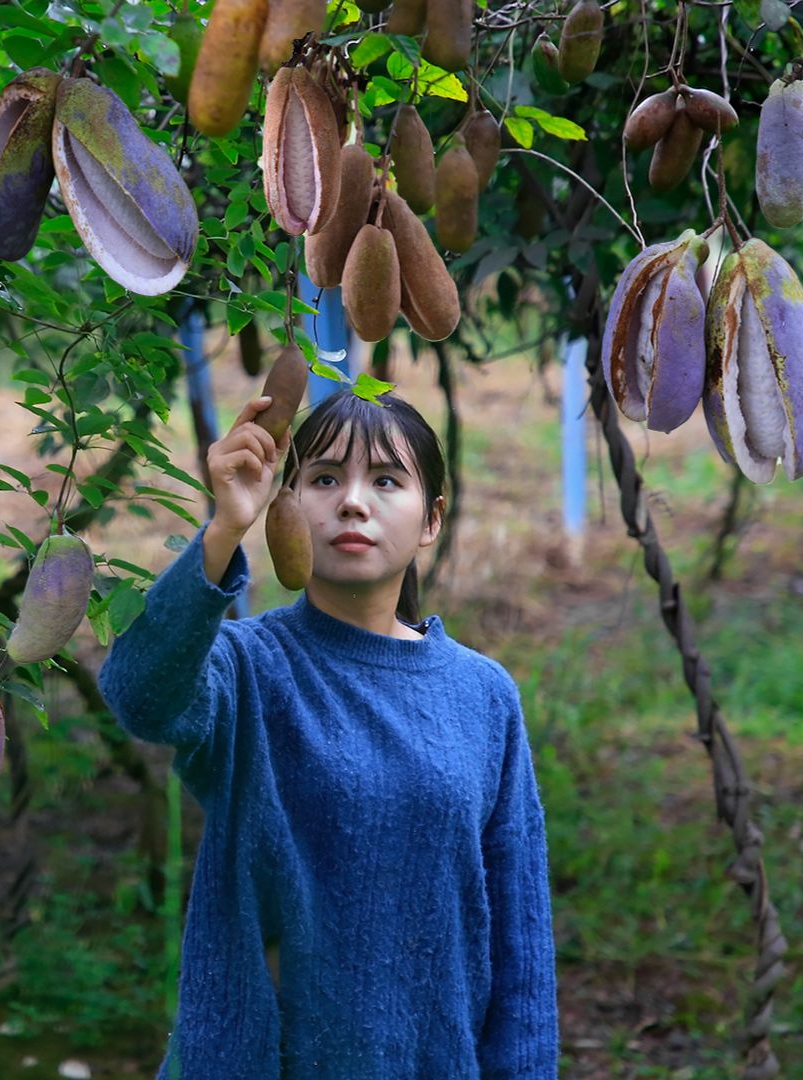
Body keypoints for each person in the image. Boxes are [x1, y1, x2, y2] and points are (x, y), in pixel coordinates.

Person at [96, 385, 559, 1078]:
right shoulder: (246, 668)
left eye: (385, 480)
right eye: (323, 478)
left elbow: (519, 941)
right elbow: (139, 695)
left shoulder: (483, 696)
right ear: (288, 503)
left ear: (431, 519)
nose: (351, 501)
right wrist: (223, 531)